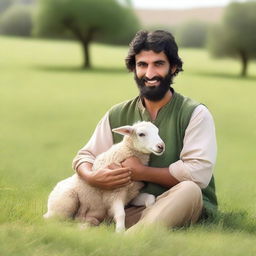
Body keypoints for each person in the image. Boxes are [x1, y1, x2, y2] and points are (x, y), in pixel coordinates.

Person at [72, 30, 217, 230]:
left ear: (173, 67)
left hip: (177, 204)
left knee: (190, 190)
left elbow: (197, 174)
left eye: (158, 64)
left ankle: (131, 241)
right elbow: (85, 156)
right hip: (130, 206)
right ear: (134, 68)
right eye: (142, 65)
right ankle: (121, 226)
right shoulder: (117, 113)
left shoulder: (195, 113)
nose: (149, 74)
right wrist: (92, 177)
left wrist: (140, 172)